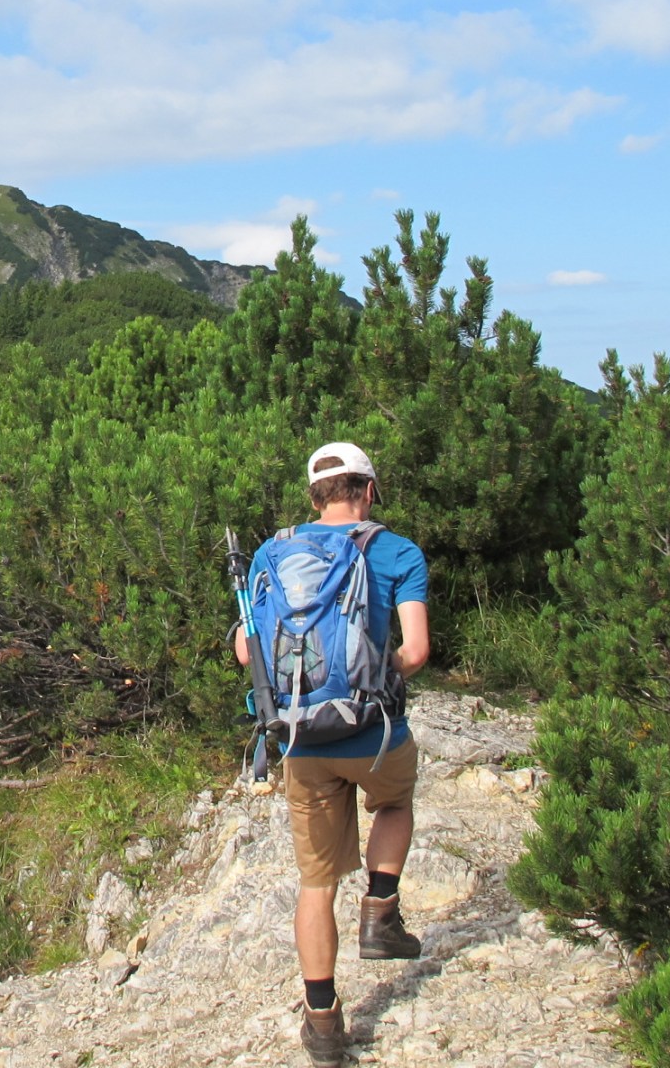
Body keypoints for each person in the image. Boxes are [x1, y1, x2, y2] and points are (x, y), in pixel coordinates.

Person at [235, 442, 431, 1064]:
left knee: (316, 883)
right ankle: (380, 911)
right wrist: (374, 676)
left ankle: (322, 1021)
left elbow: (247, 651)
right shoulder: (397, 552)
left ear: (315, 496)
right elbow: (416, 651)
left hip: (302, 741)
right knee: (396, 802)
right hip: (373, 735)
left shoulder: (272, 553)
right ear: (368, 491)